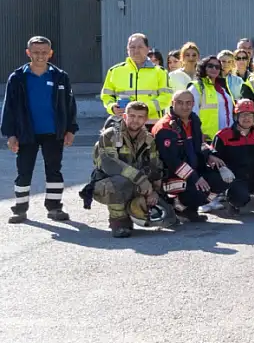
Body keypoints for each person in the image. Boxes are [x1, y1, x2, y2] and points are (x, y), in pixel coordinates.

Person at [3, 36, 78, 223]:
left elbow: (70, 105)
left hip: (53, 133)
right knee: (24, 170)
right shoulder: (18, 77)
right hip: (26, 133)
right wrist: (11, 134)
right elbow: (9, 107)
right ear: (28, 53)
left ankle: (54, 208)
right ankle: (19, 209)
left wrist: (70, 129)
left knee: (54, 170)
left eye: (44, 52)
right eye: (35, 52)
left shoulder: (60, 76)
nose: (40, 56)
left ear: (50, 53)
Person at [86, 101, 167, 237]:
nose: (135, 120)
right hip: (107, 184)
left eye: (140, 117)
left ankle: (132, 212)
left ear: (146, 119)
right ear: (124, 116)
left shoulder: (148, 139)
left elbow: (155, 165)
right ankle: (119, 222)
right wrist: (141, 180)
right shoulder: (111, 135)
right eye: (132, 116)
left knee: (168, 215)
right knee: (121, 182)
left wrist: (154, 190)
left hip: (136, 182)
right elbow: (110, 165)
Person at [152, 90, 226, 222]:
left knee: (222, 178)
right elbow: (172, 162)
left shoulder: (194, 120)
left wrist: (210, 155)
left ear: (193, 104)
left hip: (192, 169)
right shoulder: (165, 127)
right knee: (197, 190)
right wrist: (195, 178)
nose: (184, 107)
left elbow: (200, 144)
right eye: (180, 103)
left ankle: (190, 209)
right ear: (172, 103)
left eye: (188, 103)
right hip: (170, 176)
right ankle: (178, 206)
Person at [101, 33, 172, 124]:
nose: (136, 50)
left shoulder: (160, 72)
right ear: (127, 49)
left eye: (140, 47)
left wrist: (143, 110)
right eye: (132, 47)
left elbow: (166, 97)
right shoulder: (114, 71)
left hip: (151, 122)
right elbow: (106, 96)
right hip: (122, 122)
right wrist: (112, 107)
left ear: (147, 49)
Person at [187, 55, 236, 141]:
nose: (214, 69)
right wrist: (198, 133)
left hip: (226, 137)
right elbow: (190, 113)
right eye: (210, 66)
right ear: (203, 68)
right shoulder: (196, 87)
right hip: (206, 138)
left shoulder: (222, 88)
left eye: (217, 67)